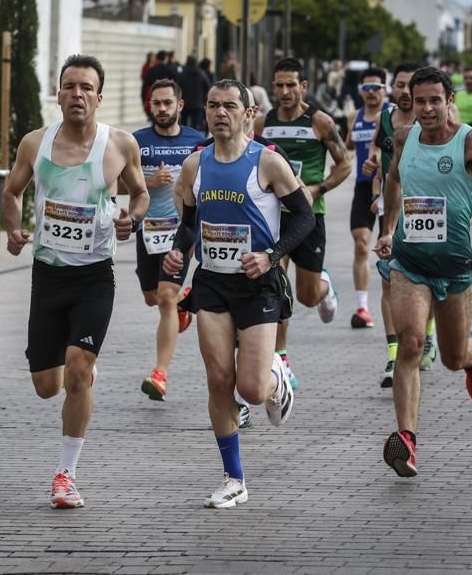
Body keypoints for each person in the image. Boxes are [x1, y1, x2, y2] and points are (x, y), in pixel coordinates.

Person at [2, 54, 149, 509]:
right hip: (48, 275)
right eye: (69, 87)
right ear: (59, 94)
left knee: (78, 373)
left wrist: (133, 220)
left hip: (94, 277)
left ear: (99, 97)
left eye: (86, 87)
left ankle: (65, 474)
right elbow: (11, 192)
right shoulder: (34, 144)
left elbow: (141, 193)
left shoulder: (120, 145)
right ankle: (76, 366)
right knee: (48, 385)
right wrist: (12, 229)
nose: (77, 94)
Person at [162, 78, 313, 507]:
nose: (220, 113)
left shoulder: (267, 162)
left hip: (257, 284)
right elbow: (191, 223)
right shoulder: (196, 165)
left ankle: (275, 377)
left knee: (250, 389)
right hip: (211, 281)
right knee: (218, 379)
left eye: (230, 105)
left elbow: (304, 218)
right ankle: (234, 479)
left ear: (248, 113)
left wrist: (271, 255)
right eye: (213, 105)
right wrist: (178, 251)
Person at [374, 67, 472, 477]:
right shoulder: (404, 137)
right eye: (421, 101)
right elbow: (393, 180)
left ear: (450, 100)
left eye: (436, 100)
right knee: (411, 343)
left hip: (453, 267)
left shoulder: (469, 141)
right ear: (410, 103)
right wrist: (388, 227)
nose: (428, 108)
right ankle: (407, 440)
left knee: (451, 357)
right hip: (409, 262)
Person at [255, 58, 350, 388]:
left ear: (303, 87)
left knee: (307, 296)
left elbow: (344, 164)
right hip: (273, 218)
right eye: (278, 85)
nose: (283, 91)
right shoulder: (261, 124)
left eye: (290, 85)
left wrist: (316, 188)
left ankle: (325, 286)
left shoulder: (320, 122)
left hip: (310, 216)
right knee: (275, 283)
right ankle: (280, 358)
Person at [361, 63, 437, 388]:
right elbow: (379, 152)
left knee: (426, 279)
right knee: (389, 278)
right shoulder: (386, 119)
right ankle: (394, 354)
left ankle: (427, 335)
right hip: (392, 209)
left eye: (410, 87)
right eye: (400, 86)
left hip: (427, 208)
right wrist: (374, 172)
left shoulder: (431, 122)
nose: (404, 92)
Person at [131, 79, 205, 400]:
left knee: (163, 298)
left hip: (181, 230)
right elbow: (120, 185)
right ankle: (182, 307)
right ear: (150, 106)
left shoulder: (197, 142)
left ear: (179, 105)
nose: (162, 109)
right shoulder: (137, 142)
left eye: (167, 103)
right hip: (148, 231)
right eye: (156, 103)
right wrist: (150, 180)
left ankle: (160, 374)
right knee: (152, 297)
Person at [345, 67, 389, 329]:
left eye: (376, 87)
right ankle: (362, 307)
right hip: (363, 188)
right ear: (361, 91)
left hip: (390, 187)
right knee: (362, 244)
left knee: (388, 251)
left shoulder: (392, 115)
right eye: (367, 88)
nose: (371, 93)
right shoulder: (354, 117)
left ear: (385, 89)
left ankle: (393, 302)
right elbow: (348, 147)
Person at [179, 56, 211, 132]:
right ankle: (196, 139)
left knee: (184, 123)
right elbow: (208, 86)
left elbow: (177, 87)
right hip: (198, 103)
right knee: (196, 124)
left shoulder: (182, 74)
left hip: (185, 102)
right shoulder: (201, 73)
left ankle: (184, 137)